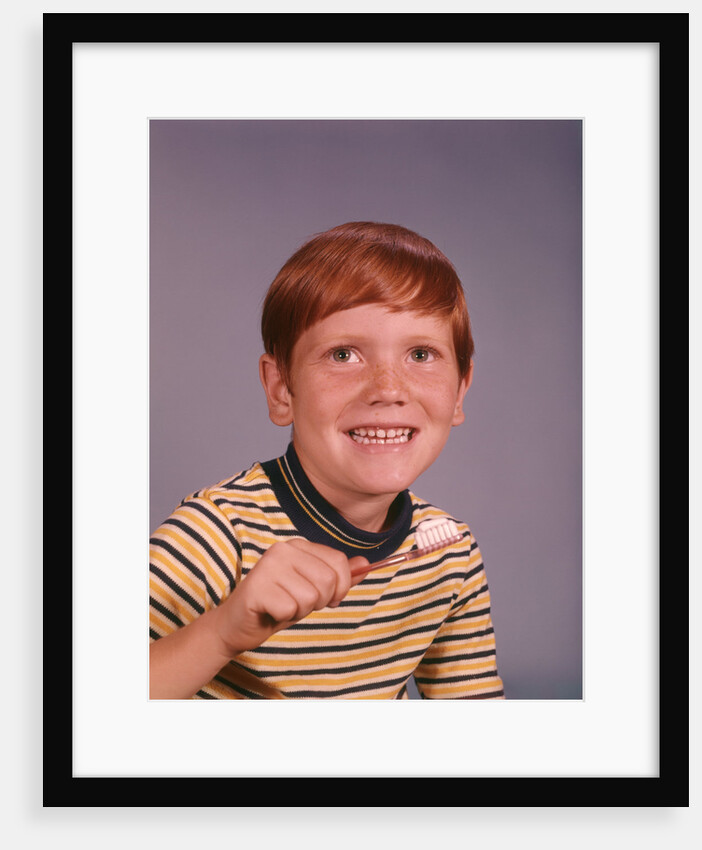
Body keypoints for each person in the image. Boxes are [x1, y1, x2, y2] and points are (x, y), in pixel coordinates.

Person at [149, 221, 505, 700]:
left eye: (421, 354)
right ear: (281, 389)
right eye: (343, 354)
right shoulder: (216, 535)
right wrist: (222, 633)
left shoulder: (449, 553)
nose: (388, 389)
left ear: (460, 390)